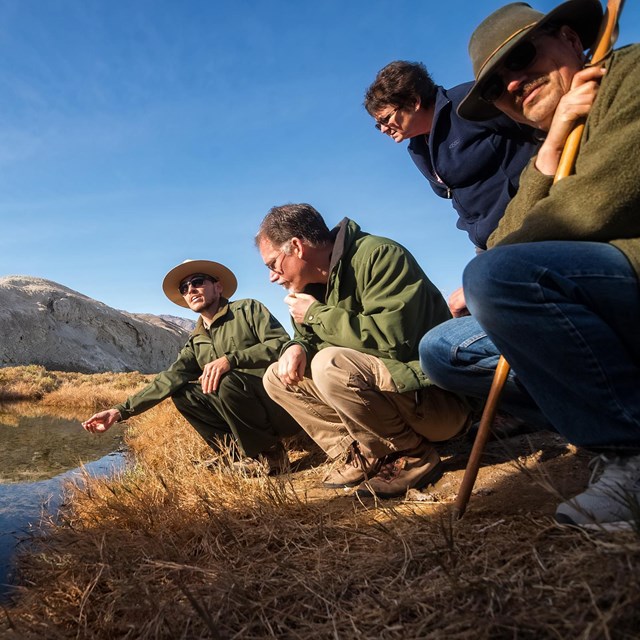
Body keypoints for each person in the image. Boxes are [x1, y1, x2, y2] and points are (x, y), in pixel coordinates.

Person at [420, 0, 640, 529]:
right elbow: (502, 236)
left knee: (495, 278)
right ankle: (601, 416)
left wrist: (499, 263)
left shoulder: (630, 74)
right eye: (497, 87)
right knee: (443, 351)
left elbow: (593, 206)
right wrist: (551, 147)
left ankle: (630, 450)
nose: (513, 84)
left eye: (520, 58)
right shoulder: (550, 144)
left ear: (570, 38)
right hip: (598, 301)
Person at [255, 203, 471, 499]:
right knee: (276, 376)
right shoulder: (308, 289)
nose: (272, 276)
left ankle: (413, 454)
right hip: (389, 396)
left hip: (436, 403)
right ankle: (364, 451)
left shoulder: (380, 256)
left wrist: (317, 314)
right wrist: (295, 346)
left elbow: (392, 341)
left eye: (272, 264)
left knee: (329, 364)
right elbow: (307, 338)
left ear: (296, 247)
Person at [82, 259, 300, 474]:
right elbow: (168, 379)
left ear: (218, 286)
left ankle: (271, 454)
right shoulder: (196, 340)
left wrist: (230, 360)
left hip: (278, 405)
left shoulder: (248, 309)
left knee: (227, 379)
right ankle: (236, 455)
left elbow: (280, 344)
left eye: (198, 282)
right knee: (182, 392)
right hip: (239, 412)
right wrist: (119, 412)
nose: (191, 290)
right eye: (184, 288)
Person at [364, 60, 539, 316]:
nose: (382, 129)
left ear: (413, 101)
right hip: (487, 245)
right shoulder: (417, 149)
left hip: (529, 228)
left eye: (385, 118)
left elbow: (538, 127)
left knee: (470, 307)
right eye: (376, 123)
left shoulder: (470, 102)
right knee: (461, 318)